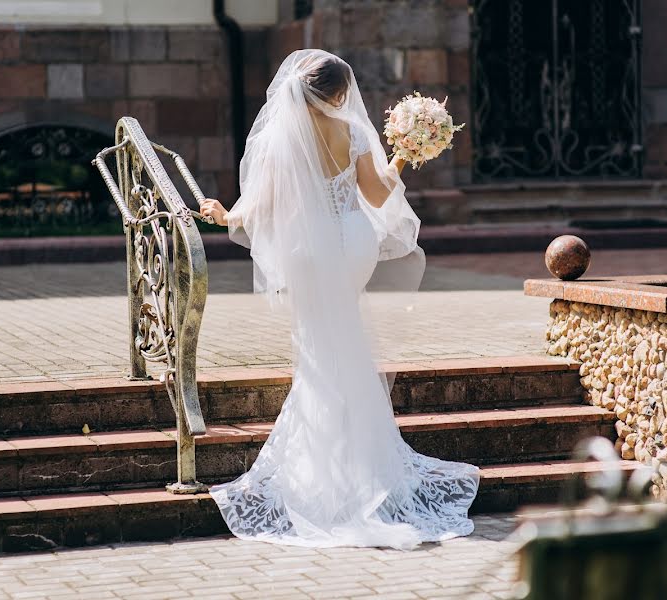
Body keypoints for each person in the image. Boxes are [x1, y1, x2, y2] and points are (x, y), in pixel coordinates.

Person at [199, 49, 478, 551]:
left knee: (320, 353)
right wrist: (402, 156)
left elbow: (259, 205)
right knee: (345, 342)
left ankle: (325, 473)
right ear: (336, 94)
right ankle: (366, 465)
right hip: (353, 245)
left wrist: (223, 216)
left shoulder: (282, 139)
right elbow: (376, 196)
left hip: (310, 252)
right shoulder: (349, 132)